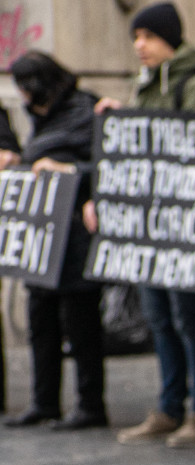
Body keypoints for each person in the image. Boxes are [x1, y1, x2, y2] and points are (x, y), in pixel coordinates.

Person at [106, 2, 195, 450]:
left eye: (149, 37)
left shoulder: (191, 85)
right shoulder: (146, 86)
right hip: (152, 228)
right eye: (136, 37)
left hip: (183, 228)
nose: (140, 46)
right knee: (158, 317)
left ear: (169, 40)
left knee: (186, 318)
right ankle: (170, 405)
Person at [2, 53, 107, 431]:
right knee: (40, 322)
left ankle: (90, 403)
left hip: (75, 235)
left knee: (81, 325)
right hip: (41, 240)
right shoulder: (42, 119)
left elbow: (108, 165)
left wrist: (68, 171)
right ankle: (45, 401)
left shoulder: (86, 111)